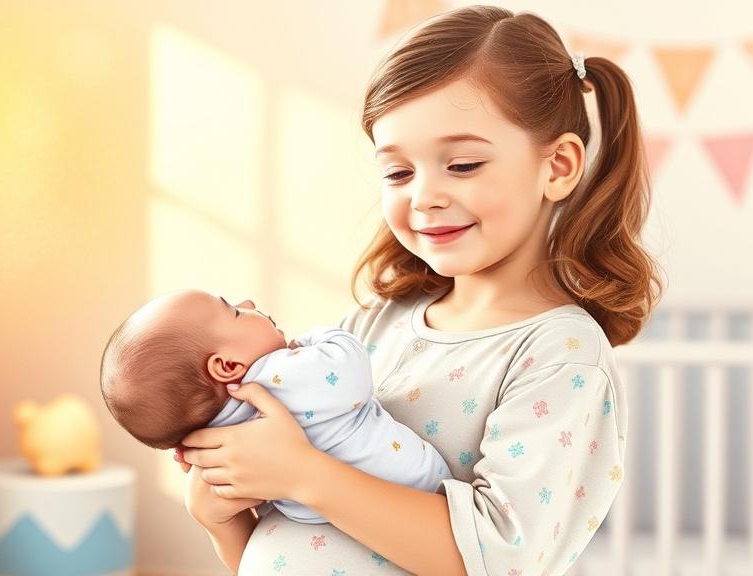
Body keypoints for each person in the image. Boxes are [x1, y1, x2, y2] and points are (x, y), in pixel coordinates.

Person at [175, 4, 663, 575]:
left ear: (556, 166)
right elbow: (295, 542)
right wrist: (225, 519)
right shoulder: (372, 325)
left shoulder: (560, 356)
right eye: (398, 173)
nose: (423, 196)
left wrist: (303, 472)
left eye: (461, 164)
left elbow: (500, 557)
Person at [99, 288, 453, 524]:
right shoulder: (277, 375)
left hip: (330, 518)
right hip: (418, 485)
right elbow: (350, 368)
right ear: (227, 367)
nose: (250, 304)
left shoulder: (222, 436)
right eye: (235, 313)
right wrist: (321, 338)